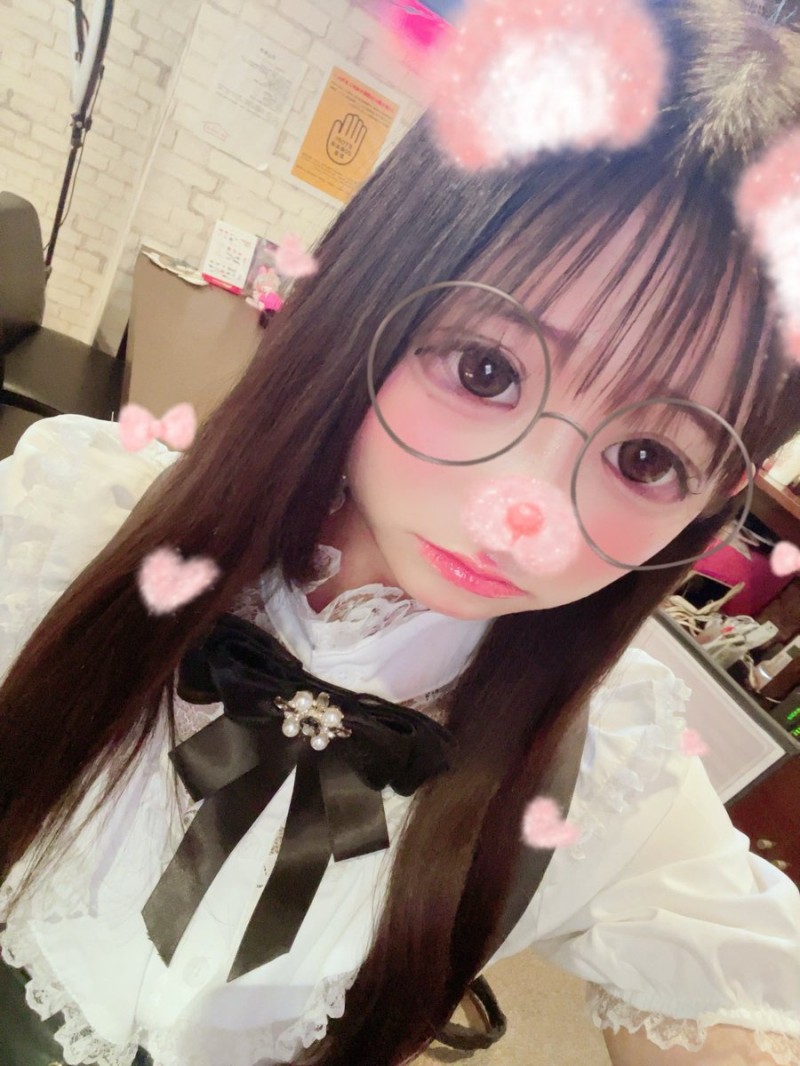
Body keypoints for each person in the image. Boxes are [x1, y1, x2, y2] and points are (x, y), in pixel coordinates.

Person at [2, 2, 800, 1065]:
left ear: (711, 498)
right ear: (375, 295)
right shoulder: (67, 519)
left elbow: (742, 990)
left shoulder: (613, 770)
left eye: (646, 458)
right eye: (486, 369)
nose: (523, 514)